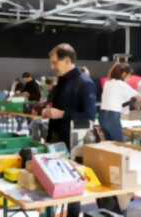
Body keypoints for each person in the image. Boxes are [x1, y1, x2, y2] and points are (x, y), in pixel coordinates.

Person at [42, 43, 96, 217]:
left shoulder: (85, 82)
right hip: (55, 141)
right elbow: (58, 107)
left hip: (72, 143)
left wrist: (62, 113)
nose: (52, 67)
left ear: (67, 60)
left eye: (54, 62)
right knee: (51, 182)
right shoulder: (62, 81)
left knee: (73, 189)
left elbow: (89, 115)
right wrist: (48, 110)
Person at [100, 63, 141, 141]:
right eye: (129, 76)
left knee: (109, 144)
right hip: (112, 117)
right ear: (124, 74)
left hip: (102, 116)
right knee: (119, 144)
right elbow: (138, 96)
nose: (129, 79)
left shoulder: (107, 83)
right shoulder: (122, 85)